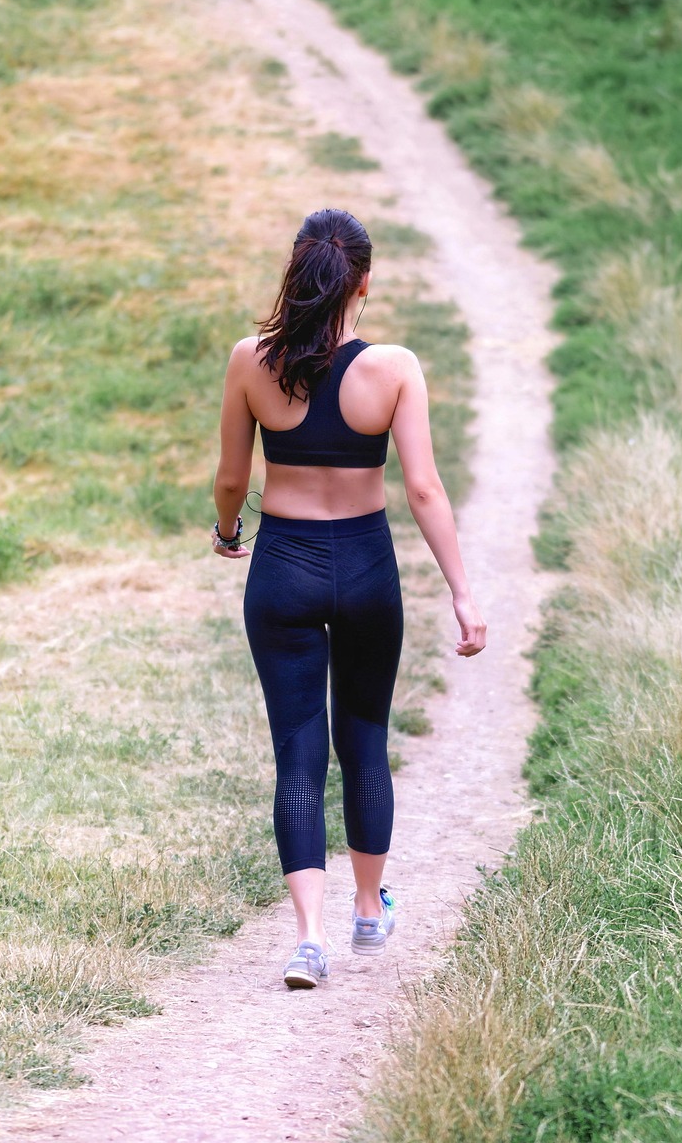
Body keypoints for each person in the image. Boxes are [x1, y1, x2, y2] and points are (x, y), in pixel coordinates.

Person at [210, 208, 486, 990]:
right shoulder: (394, 368)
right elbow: (425, 489)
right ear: (363, 281)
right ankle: (369, 909)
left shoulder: (249, 361)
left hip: (284, 569)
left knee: (297, 752)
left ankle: (307, 939)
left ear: (296, 274)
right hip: (365, 568)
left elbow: (234, 478)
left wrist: (230, 529)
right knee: (363, 738)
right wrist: (464, 595)